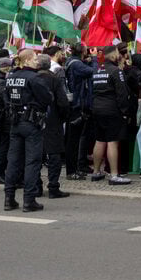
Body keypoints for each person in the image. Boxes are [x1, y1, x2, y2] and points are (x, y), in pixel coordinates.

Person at [4, 50, 53, 212]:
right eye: (34, 59)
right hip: (31, 123)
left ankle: (9, 198)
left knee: (13, 160)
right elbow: (47, 98)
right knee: (32, 162)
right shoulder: (34, 77)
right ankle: (29, 200)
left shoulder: (10, 77)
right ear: (27, 61)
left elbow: (6, 98)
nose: (37, 61)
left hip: (15, 122)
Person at [91, 45, 131, 185]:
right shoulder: (116, 71)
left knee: (99, 140)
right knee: (112, 142)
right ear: (113, 55)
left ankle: (96, 172)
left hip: (97, 108)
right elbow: (122, 94)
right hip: (112, 110)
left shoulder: (97, 70)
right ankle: (114, 175)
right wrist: (125, 111)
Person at [36, 54, 70, 199]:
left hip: (34, 120)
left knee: (35, 155)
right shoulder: (54, 79)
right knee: (54, 154)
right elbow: (63, 102)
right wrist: (62, 117)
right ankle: (53, 187)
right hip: (52, 119)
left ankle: (36, 186)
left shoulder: (32, 77)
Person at [64, 44, 96, 179]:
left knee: (74, 140)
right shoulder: (77, 65)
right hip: (77, 105)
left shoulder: (71, 62)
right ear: (83, 52)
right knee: (73, 141)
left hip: (74, 104)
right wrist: (94, 59)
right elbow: (92, 71)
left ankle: (74, 169)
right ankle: (71, 171)